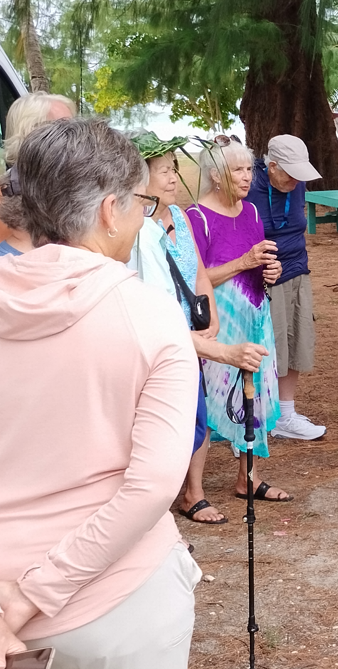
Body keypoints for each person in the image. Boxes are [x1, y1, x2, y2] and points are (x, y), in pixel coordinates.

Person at [0, 118, 202, 668]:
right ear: (109, 209)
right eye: (139, 204)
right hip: (114, 611)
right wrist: (33, 595)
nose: (140, 219)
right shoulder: (150, 316)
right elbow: (151, 484)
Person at [127, 132, 268, 527]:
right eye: (163, 172)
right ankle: (159, 503)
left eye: (175, 170)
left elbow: (200, 274)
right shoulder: (136, 230)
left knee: (197, 414)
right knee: (165, 419)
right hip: (161, 339)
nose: (173, 179)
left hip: (194, 331)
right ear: (139, 180)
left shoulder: (180, 220)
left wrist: (213, 320)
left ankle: (193, 492)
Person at [187, 137, 293, 504]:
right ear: (216, 176)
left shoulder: (249, 212)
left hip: (254, 314)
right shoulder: (196, 218)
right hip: (218, 323)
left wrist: (269, 269)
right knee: (208, 399)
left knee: (255, 395)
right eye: (238, 170)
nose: (248, 177)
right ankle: (193, 491)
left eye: (250, 169)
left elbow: (257, 261)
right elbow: (195, 279)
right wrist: (244, 263)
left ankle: (248, 477)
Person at [245, 134, 327, 442]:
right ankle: (253, 419)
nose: (296, 180)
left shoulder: (297, 182)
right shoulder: (250, 185)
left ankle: (285, 414)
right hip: (261, 277)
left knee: (295, 341)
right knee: (266, 346)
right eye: (290, 173)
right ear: (272, 165)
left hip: (296, 270)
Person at [0, 91, 76, 259]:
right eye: (64, 130)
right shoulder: (9, 192)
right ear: (32, 133)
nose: (77, 137)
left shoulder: (40, 183)